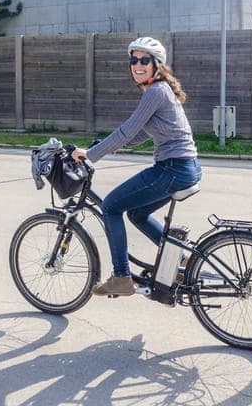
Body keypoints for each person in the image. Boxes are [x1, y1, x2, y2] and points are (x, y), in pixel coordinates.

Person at [72, 36, 201, 297]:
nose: (138, 65)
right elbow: (143, 132)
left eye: (144, 60)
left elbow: (128, 129)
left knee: (111, 207)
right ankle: (180, 259)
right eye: (134, 60)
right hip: (185, 168)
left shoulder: (156, 91)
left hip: (172, 169)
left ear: (157, 64)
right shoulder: (161, 90)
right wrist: (114, 146)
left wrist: (91, 154)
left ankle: (121, 277)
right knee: (136, 214)